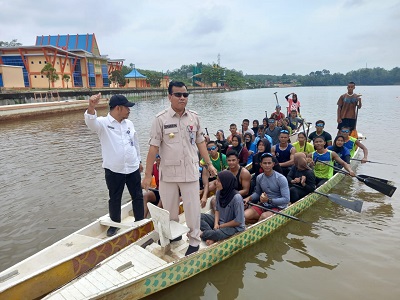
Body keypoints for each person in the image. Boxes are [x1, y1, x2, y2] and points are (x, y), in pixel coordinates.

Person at [142, 81, 217, 256]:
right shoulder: (160, 119)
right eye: (178, 94)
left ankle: (194, 240)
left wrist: (210, 164)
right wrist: (147, 175)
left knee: (192, 210)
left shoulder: (194, 118)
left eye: (185, 95)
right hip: (168, 174)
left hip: (190, 172)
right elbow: (153, 148)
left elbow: (200, 142)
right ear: (169, 97)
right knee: (169, 210)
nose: (182, 98)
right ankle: (173, 236)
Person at [84, 93, 144, 237]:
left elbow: (135, 143)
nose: (129, 110)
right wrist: (91, 106)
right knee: (115, 198)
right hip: (114, 170)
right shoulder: (103, 123)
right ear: (118, 108)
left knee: (137, 196)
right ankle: (114, 225)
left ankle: (140, 221)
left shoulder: (129, 123)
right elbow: (90, 123)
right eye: (127, 108)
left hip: (132, 167)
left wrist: (139, 160)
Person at [200, 170, 245, 245]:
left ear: (226, 183)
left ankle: (202, 234)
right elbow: (217, 210)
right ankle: (211, 235)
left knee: (217, 232)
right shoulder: (219, 192)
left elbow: (238, 221)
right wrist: (215, 224)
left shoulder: (237, 198)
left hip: (234, 227)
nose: (216, 183)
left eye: (219, 181)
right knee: (198, 217)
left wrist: (220, 226)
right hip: (221, 221)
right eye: (217, 180)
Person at [244, 153, 290, 224]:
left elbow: (286, 199)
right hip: (265, 205)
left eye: (269, 163)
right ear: (261, 164)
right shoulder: (259, 177)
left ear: (273, 164)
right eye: (265, 163)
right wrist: (248, 198)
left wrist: (269, 200)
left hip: (279, 207)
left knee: (264, 216)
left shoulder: (281, 178)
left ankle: (258, 224)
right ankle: (258, 223)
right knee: (244, 216)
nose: (267, 165)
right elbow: (257, 193)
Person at [143, 154, 162, 218]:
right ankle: (143, 218)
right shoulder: (153, 167)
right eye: (157, 156)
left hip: (168, 192)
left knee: (163, 197)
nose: (158, 158)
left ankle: (155, 217)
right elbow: (147, 179)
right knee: (145, 196)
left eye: (160, 156)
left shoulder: (167, 167)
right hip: (158, 190)